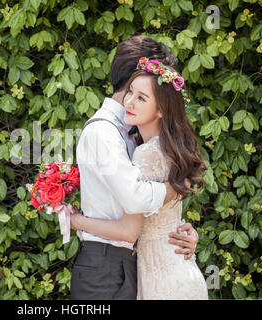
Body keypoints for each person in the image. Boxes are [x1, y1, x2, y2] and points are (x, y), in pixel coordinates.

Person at [70, 35, 200, 300]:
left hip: (138, 264)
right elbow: (135, 199)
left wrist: (181, 230)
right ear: (135, 75)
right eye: (134, 91)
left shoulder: (144, 138)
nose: (132, 100)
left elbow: (145, 215)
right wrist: (178, 188)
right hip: (106, 266)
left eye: (142, 96)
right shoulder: (104, 132)